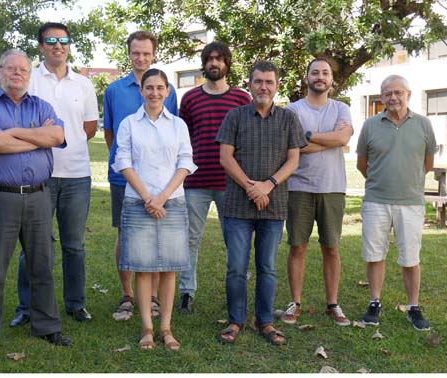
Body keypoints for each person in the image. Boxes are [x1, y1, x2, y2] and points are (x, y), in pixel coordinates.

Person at [10, 22, 99, 328]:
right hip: (37, 177)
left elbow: (89, 128)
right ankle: (26, 306)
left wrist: (58, 138)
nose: (58, 45)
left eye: (63, 40)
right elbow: (19, 122)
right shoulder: (30, 79)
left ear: (69, 45)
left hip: (77, 176)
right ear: (41, 46)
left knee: (74, 245)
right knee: (34, 246)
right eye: (51, 40)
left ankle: (76, 303)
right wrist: (45, 141)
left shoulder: (84, 84)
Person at [215, 61, 306, 345]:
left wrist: (268, 185)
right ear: (250, 84)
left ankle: (264, 321)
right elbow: (225, 158)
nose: (263, 87)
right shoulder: (235, 116)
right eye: (258, 82)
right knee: (236, 267)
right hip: (237, 207)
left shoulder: (289, 119)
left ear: (277, 86)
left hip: (274, 204)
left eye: (269, 82)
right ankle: (235, 320)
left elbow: (294, 160)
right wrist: (251, 187)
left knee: (267, 267)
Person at [0, 49, 71, 358]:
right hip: (0, 197)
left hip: (39, 196)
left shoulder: (42, 105)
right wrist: (35, 137)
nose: (17, 74)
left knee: (42, 264)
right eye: (11, 69)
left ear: (30, 75)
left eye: (23, 70)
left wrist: (12, 134)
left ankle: (47, 326)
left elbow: (56, 135)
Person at [113, 68, 196, 350]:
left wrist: (163, 197)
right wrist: (149, 198)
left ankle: (166, 328)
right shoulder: (128, 124)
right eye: (149, 87)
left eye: (160, 88)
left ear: (168, 92)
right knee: (143, 268)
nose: (154, 93)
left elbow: (185, 162)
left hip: (172, 202)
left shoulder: (178, 125)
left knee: (170, 268)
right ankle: (147, 328)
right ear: (141, 90)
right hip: (138, 203)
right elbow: (123, 161)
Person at [104, 30, 178, 321]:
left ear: (154, 54)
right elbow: (109, 132)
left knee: (157, 236)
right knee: (127, 235)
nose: (141, 57)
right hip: (124, 179)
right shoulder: (114, 90)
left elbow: (171, 130)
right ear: (129, 53)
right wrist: (129, 168)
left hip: (160, 183)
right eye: (136, 52)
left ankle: (155, 297)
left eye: (146, 53)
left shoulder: (165, 88)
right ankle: (127, 295)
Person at [356, 74, 436, 331]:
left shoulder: (423, 125)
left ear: (408, 95)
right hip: (376, 201)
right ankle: (374, 303)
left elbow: (428, 163)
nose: (393, 97)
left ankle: (413, 306)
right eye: (388, 93)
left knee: (411, 257)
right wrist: (381, 181)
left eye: (398, 92)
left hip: (410, 202)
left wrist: (407, 183)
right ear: (381, 98)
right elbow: (362, 163)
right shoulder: (370, 125)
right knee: (374, 255)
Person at [178, 41, 250, 314]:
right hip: (195, 182)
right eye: (210, 59)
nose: (214, 63)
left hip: (230, 184)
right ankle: (186, 291)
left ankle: (238, 289)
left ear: (227, 64)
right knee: (189, 239)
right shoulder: (191, 98)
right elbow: (181, 139)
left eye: (219, 59)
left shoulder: (241, 99)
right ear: (204, 63)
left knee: (235, 239)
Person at [281, 58, 353, 327]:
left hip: (333, 187)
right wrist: (329, 139)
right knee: (297, 246)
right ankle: (295, 302)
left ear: (331, 79)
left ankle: (333, 304)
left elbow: (343, 139)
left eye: (325, 73)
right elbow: (293, 147)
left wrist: (309, 136)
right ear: (307, 77)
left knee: (331, 247)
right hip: (299, 186)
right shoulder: (291, 110)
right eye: (315, 72)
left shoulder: (341, 108)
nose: (320, 77)